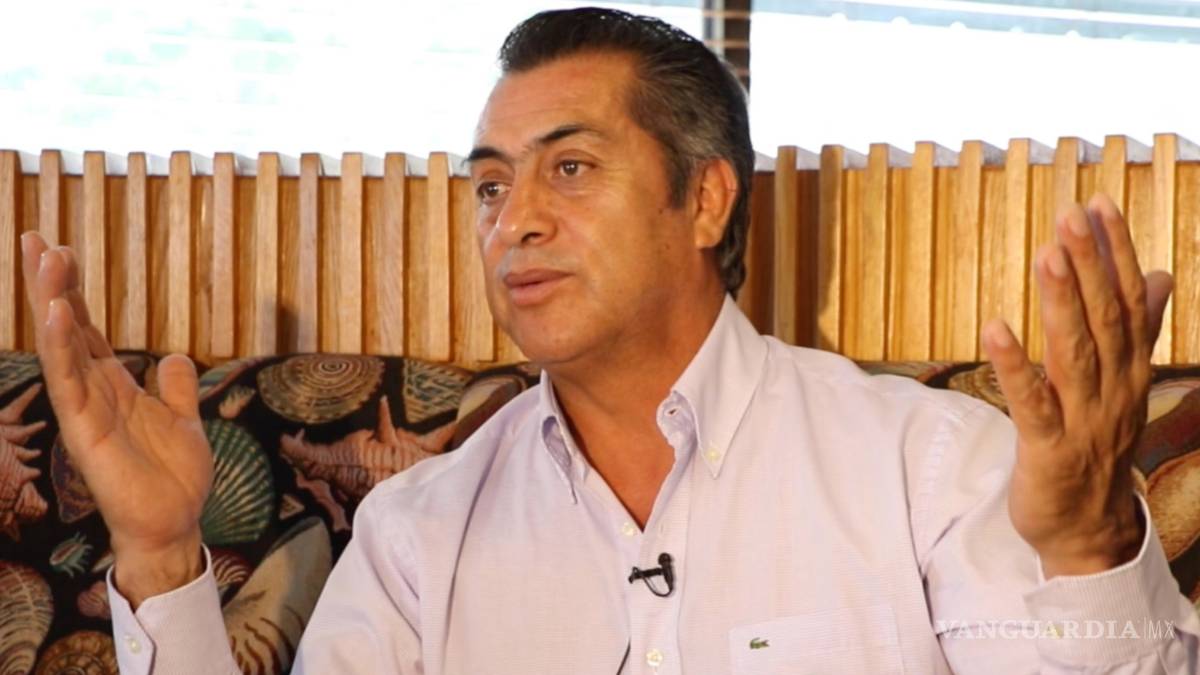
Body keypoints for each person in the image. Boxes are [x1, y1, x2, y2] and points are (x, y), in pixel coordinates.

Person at [20, 7, 1199, 674]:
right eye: (491, 187)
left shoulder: (931, 464)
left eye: (572, 169)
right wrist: (160, 556)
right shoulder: (419, 530)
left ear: (706, 199)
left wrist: (1089, 545)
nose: (515, 221)